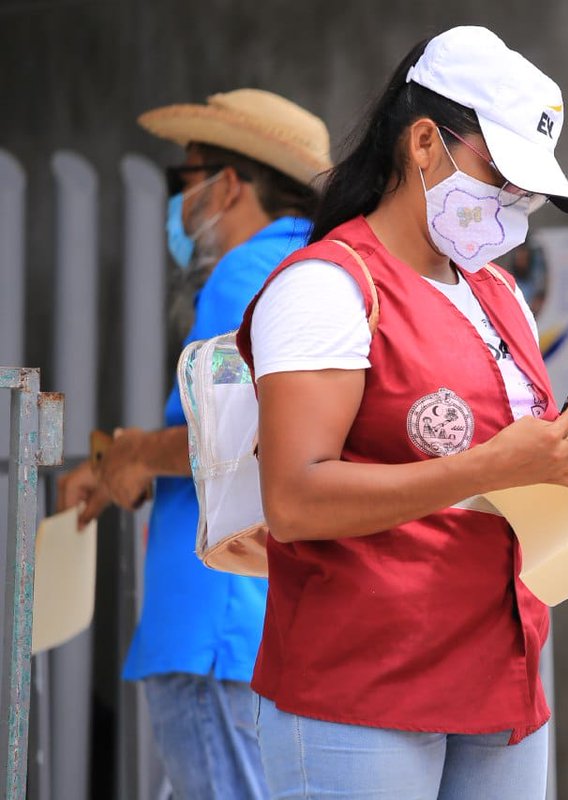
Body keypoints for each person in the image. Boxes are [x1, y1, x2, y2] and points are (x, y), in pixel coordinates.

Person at [236, 27, 568, 799]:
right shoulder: (328, 288)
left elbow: (511, 468)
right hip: (363, 689)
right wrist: (489, 466)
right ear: (422, 143)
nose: (513, 204)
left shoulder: (498, 292)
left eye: (527, 192)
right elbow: (295, 498)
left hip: (499, 680)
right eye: (499, 176)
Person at [56, 89, 331, 799]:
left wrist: (142, 453)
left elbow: (240, 438)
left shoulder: (247, 270)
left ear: (229, 185)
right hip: (273, 624)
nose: (179, 208)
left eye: (186, 182)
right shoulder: (323, 271)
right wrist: (121, 457)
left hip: (214, 624)